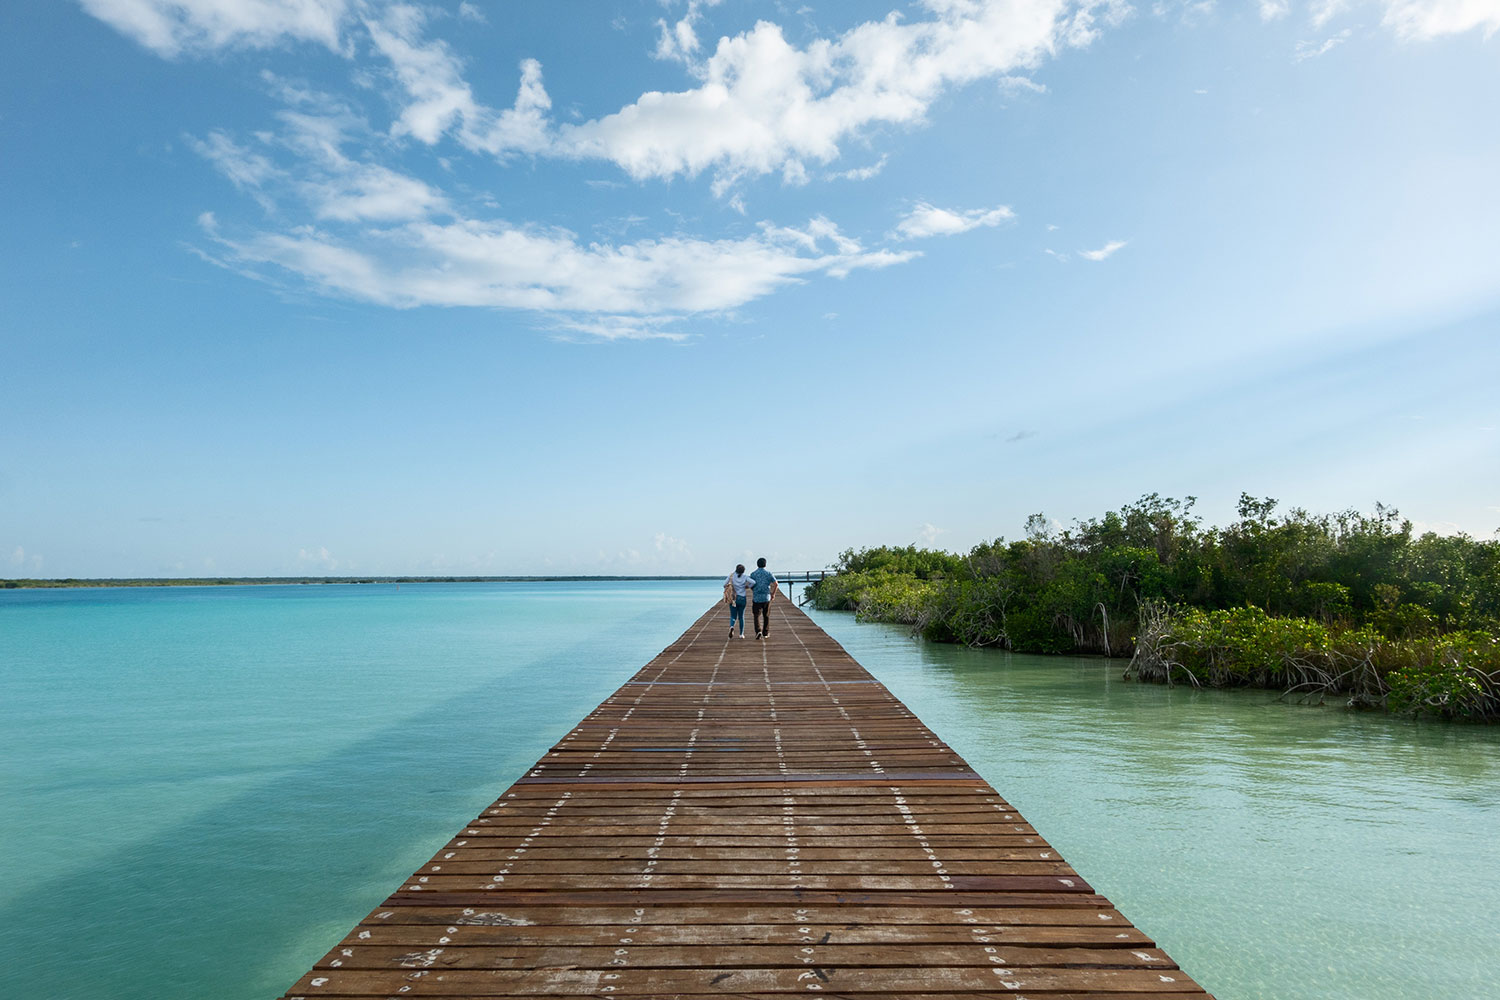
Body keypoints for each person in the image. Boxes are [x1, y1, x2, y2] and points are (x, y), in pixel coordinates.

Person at [749, 557, 779, 639]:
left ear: (757, 564)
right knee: (766, 615)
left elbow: (750, 585)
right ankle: (765, 633)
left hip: (756, 597)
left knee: (756, 615)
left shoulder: (753, 574)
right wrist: (773, 594)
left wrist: (753, 590)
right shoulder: (769, 573)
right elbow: (776, 584)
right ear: (765, 564)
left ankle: (758, 631)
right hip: (766, 597)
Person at [724, 563, 751, 638]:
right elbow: (753, 582)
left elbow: (724, 584)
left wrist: (730, 587)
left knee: (733, 616)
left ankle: (732, 626)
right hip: (742, 598)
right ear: (743, 571)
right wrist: (747, 586)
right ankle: (741, 634)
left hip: (733, 598)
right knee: (741, 617)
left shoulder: (731, 576)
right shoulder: (745, 577)